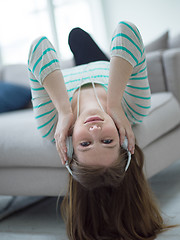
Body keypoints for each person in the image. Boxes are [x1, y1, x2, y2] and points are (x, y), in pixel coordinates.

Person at [28, 21, 170, 240]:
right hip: (104, 68)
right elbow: (126, 31)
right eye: (107, 141)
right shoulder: (134, 109)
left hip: (68, 77)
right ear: (124, 139)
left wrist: (65, 111)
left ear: (69, 145)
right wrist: (114, 104)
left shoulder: (52, 126)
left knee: (75, 36)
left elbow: (39, 47)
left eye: (85, 144)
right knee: (77, 36)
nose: (94, 130)